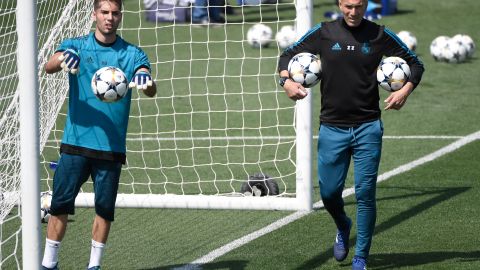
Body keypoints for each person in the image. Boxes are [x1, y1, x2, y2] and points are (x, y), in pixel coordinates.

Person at [277, 0, 424, 269]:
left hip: (368, 127)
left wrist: (404, 90)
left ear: (365, 4)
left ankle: (361, 258)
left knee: (366, 193)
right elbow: (286, 56)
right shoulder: (324, 32)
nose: (353, 12)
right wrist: (286, 81)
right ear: (339, 4)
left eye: (358, 6)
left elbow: (415, 64)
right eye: (347, 6)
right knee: (330, 194)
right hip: (332, 127)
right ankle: (343, 224)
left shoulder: (379, 34)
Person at [41, 0, 157, 269]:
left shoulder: (133, 55)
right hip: (75, 143)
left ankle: (94, 266)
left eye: (115, 13)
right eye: (104, 12)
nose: (110, 18)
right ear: (94, 15)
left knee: (104, 209)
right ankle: (49, 263)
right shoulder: (77, 45)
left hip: (111, 147)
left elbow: (148, 84)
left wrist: (146, 80)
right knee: (59, 205)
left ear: (120, 16)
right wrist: (61, 59)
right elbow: (49, 66)